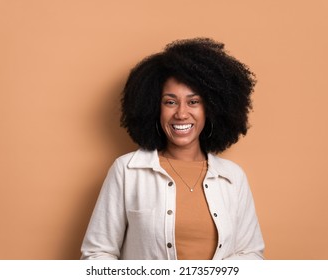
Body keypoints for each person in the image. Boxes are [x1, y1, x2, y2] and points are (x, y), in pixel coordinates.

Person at [81, 38, 264, 260]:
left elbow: (251, 254)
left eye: (193, 102)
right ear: (153, 108)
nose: (181, 113)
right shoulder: (127, 171)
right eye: (170, 102)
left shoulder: (233, 177)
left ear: (211, 108)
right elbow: (96, 254)